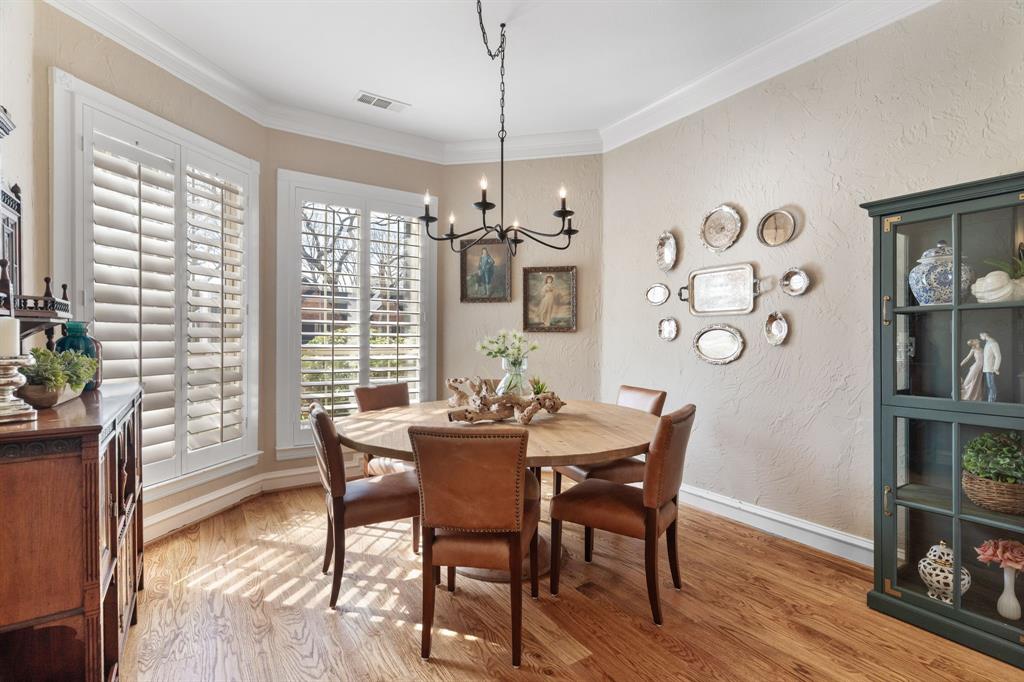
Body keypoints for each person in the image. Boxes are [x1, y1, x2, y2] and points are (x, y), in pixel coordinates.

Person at [980, 331, 1002, 402]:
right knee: (989, 385)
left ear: (985, 335)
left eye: (981, 336)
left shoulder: (993, 343)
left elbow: (998, 356)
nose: (980, 337)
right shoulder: (988, 343)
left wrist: (996, 368)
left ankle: (991, 401)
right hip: (987, 367)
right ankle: (990, 401)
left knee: (991, 385)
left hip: (990, 368)